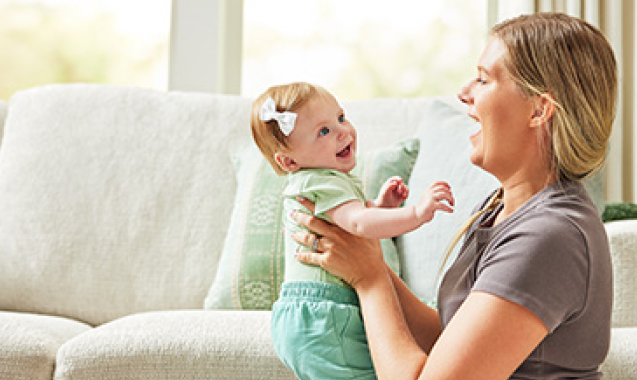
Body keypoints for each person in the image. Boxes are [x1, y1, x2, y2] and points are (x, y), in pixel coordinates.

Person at [290, 12, 617, 380]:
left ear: (539, 110)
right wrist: (366, 259)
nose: (463, 93)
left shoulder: (550, 236)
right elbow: (452, 346)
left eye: (483, 79)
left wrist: (370, 280)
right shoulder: (500, 208)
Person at [250, 82, 455, 380]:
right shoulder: (320, 180)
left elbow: (351, 223)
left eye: (341, 118)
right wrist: (416, 213)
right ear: (289, 161)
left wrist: (381, 207)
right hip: (327, 313)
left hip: (310, 316)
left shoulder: (323, 180)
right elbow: (358, 223)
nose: (343, 131)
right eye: (324, 131)